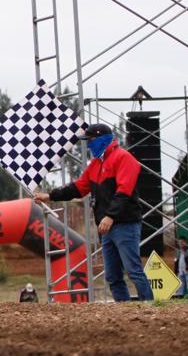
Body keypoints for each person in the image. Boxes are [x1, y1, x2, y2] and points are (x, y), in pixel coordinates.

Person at [34, 122, 154, 302]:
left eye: (90, 140)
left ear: (102, 138)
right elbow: (78, 188)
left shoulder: (123, 158)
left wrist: (110, 216)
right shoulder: (95, 165)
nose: (88, 144)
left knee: (133, 270)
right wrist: (50, 195)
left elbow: (124, 191)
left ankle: (149, 308)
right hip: (106, 228)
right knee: (112, 276)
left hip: (124, 224)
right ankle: (125, 312)